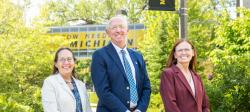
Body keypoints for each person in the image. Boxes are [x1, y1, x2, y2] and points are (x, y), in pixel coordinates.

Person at [91, 15, 151, 112]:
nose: (118, 30)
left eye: (122, 26)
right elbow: (103, 91)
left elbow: (146, 87)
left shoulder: (138, 56)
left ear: (127, 30)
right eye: (114, 27)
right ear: (108, 33)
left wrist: (140, 109)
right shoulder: (99, 56)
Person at [160, 39, 210, 112]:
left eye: (187, 49)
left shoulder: (197, 77)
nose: (183, 53)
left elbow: (205, 105)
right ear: (175, 55)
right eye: (180, 50)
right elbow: (170, 105)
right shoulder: (168, 74)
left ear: (193, 53)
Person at [42, 47, 92, 112]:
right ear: (56, 64)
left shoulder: (81, 85)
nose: (66, 62)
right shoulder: (50, 82)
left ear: (74, 62)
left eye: (69, 59)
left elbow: (88, 109)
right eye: (62, 59)